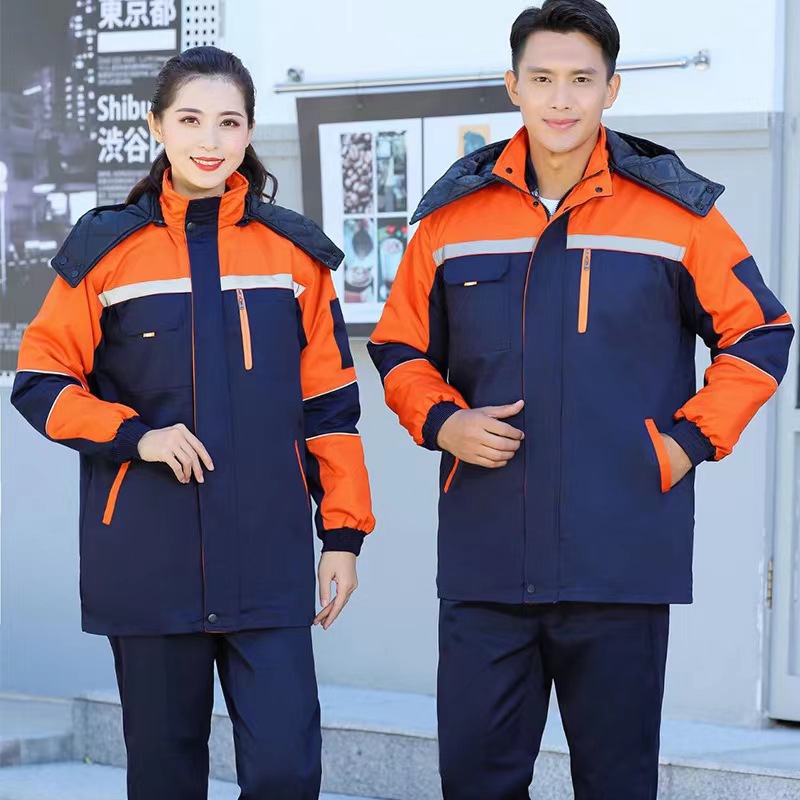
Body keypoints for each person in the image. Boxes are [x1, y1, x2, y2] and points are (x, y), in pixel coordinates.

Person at [368, 2, 793, 798]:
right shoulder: (450, 220)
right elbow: (398, 348)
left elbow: (761, 332)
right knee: (475, 781)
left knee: (617, 784)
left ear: (611, 89)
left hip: (619, 560)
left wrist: (685, 444)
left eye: (581, 80)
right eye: (542, 79)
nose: (561, 99)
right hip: (488, 561)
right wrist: (442, 421)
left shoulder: (677, 215)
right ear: (513, 87)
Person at [12, 46, 375, 800]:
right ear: (157, 126)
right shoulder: (106, 250)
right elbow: (42, 381)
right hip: (148, 558)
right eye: (190, 120)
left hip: (266, 555)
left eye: (229, 122)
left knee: (286, 771)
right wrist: (135, 435)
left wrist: (342, 536)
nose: (210, 140)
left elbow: (331, 408)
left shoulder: (294, 255)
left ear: (249, 132)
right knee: (165, 777)